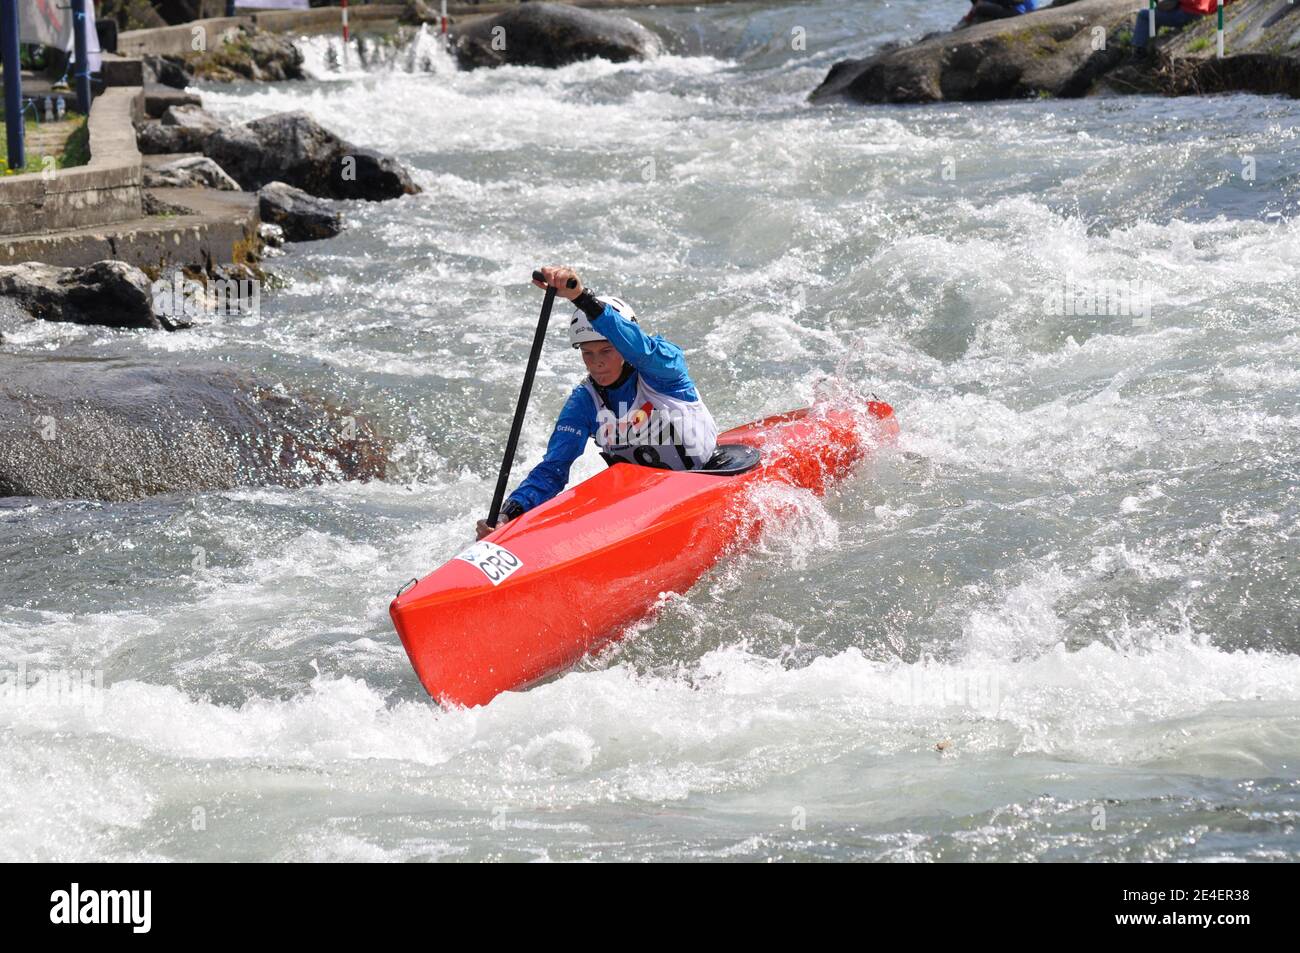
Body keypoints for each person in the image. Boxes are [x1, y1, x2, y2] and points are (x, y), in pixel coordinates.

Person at [475, 266, 719, 540]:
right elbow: (553, 469)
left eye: (606, 350)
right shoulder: (585, 402)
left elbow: (639, 347)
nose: (597, 363)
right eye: (587, 353)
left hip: (707, 478)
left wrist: (581, 297)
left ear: (624, 349)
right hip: (642, 505)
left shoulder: (663, 371)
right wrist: (510, 514)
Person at [1130, 0, 1225, 56]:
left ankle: (1139, 52)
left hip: (1186, 14)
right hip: (1203, 13)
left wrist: (1158, 5)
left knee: (1144, 15)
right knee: (1154, 14)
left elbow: (1168, 5)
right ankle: (1149, 42)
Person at [958, 0, 1039, 28]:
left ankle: (970, 20)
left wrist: (968, 18)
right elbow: (1031, 6)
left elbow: (979, 4)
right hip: (1022, 9)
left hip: (1016, 11)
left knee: (980, 7)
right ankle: (972, 18)